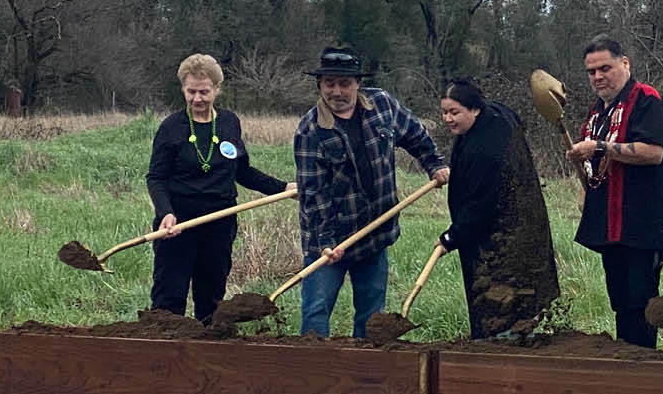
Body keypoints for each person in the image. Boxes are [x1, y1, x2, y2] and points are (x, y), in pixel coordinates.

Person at [293, 47, 449, 337]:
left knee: (371, 315)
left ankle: (365, 374)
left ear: (357, 83)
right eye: (329, 83)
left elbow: (415, 134)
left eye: (344, 83)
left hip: (374, 233)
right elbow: (314, 194)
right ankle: (312, 372)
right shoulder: (310, 130)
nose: (337, 91)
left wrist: (434, 164)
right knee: (316, 312)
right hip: (328, 241)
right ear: (320, 85)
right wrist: (326, 242)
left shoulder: (383, 105)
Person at [145, 54, 292, 323]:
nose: (197, 99)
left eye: (204, 92)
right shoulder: (171, 127)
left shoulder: (228, 123)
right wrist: (165, 212)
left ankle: (208, 353)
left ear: (217, 89)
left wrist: (282, 187)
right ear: (183, 89)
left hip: (219, 223)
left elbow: (243, 171)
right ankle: (163, 355)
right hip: (178, 224)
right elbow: (156, 177)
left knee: (211, 297)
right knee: (169, 297)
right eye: (191, 92)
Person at [566, 36, 663, 348]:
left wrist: (599, 147)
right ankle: (625, 364)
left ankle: (643, 370)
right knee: (620, 301)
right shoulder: (599, 111)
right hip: (609, 224)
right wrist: (580, 158)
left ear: (624, 63)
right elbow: (596, 168)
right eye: (591, 72)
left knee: (641, 303)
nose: (598, 77)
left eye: (605, 68)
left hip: (642, 223)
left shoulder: (647, 100)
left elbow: (654, 152)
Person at [436, 78, 561, 339]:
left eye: (454, 112)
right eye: (444, 112)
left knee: (502, 304)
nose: (448, 119)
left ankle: (505, 345)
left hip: (501, 238)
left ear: (475, 109)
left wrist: (452, 236)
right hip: (513, 228)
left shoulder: (487, 150)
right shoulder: (496, 115)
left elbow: (481, 203)